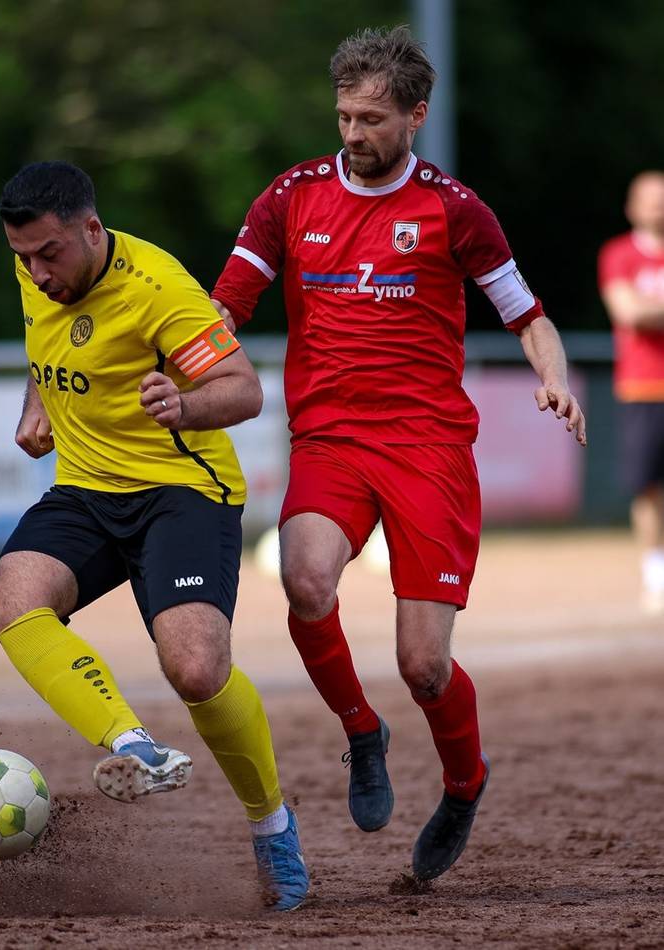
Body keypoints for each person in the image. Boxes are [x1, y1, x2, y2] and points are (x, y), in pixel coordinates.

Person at [210, 25, 586, 883]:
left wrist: (556, 379)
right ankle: (360, 733)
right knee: (305, 581)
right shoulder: (290, 197)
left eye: (373, 118)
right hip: (331, 438)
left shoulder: (456, 210)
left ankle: (463, 782)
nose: (352, 134)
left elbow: (529, 317)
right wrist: (175, 363)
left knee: (423, 663)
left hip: (428, 449)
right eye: (344, 115)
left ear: (416, 116)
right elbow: (225, 304)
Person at [0, 160, 309, 911]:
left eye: (49, 255)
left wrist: (183, 405)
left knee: (195, 669)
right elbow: (49, 335)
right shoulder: (37, 270)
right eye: (22, 257)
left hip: (181, 491)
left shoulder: (158, 290)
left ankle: (272, 826)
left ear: (92, 230)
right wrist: (36, 401)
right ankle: (134, 745)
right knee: (13, 604)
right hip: (87, 489)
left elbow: (244, 390)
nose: (36, 272)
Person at [598, 171, 664, 614]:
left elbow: (644, 312)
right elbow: (628, 313)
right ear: (632, 206)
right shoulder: (619, 254)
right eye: (651, 199)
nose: (658, 206)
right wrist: (643, 313)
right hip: (644, 385)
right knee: (647, 487)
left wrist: (649, 310)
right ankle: (655, 573)